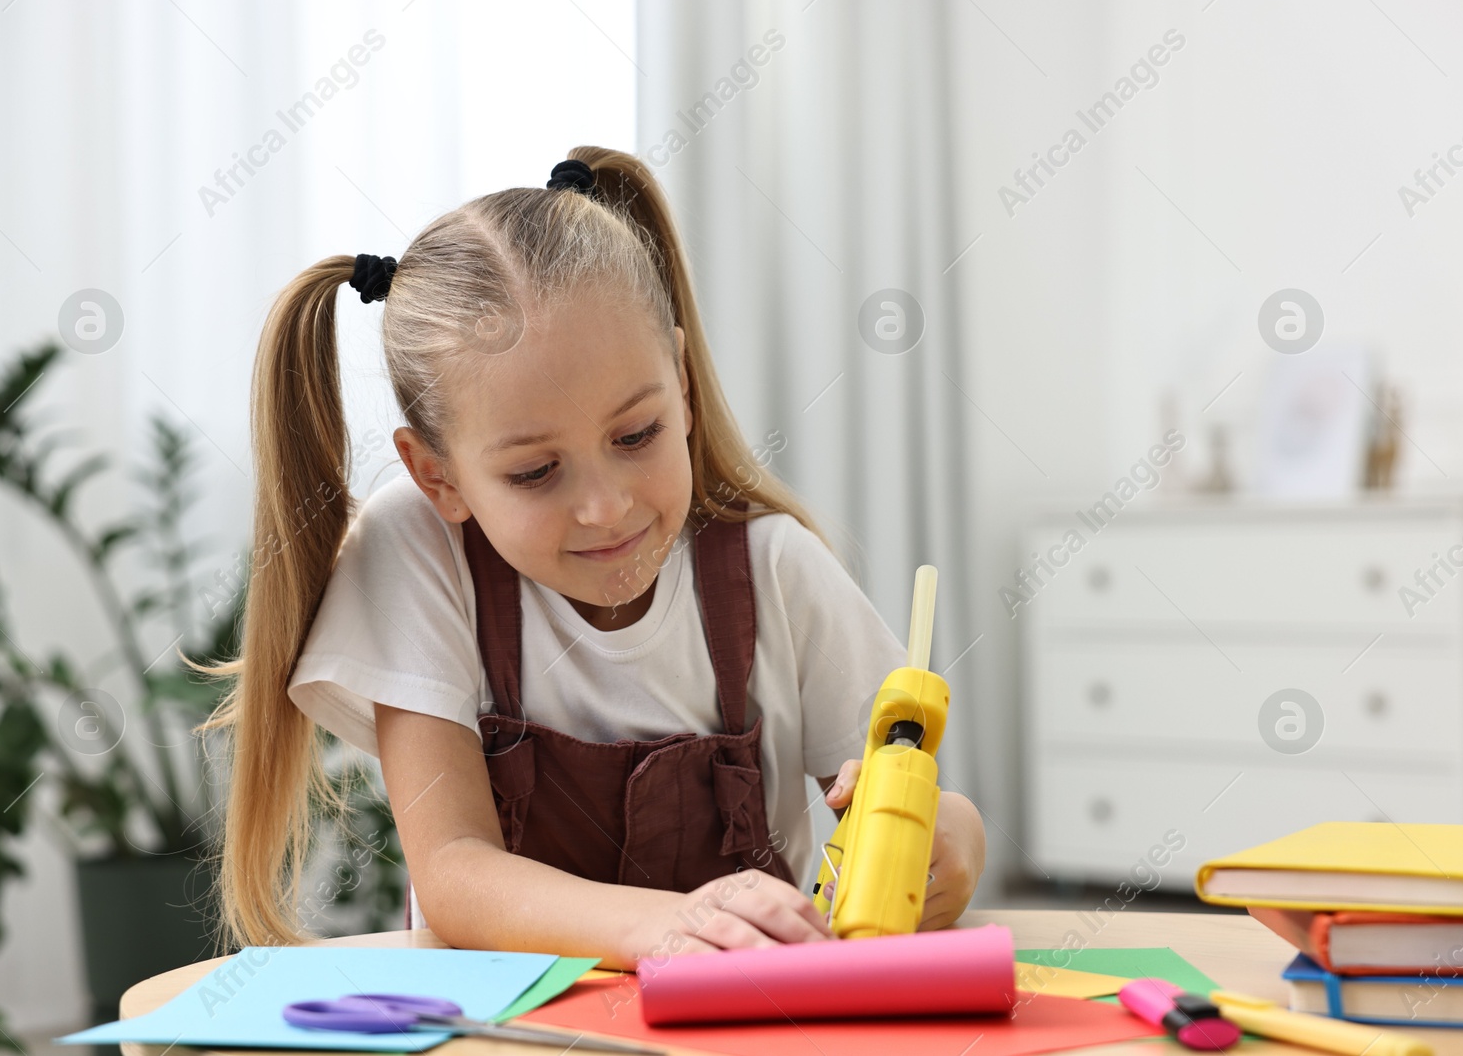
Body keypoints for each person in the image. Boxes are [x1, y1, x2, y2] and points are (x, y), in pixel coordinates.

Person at [207, 146, 985, 969]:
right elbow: (455, 871)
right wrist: (670, 926)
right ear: (437, 474)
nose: (606, 507)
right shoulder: (419, 553)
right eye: (536, 472)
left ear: (681, 386)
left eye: (636, 434)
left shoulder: (774, 568)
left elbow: (899, 802)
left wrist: (952, 836)